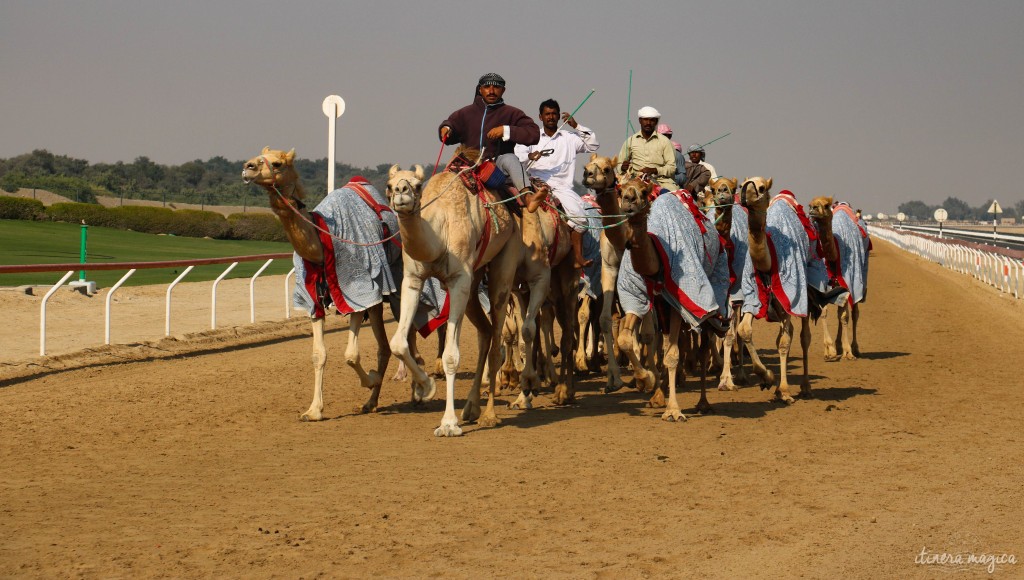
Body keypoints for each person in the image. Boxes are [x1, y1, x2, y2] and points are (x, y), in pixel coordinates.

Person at [438, 73, 546, 212]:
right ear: (480, 89)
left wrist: (506, 130)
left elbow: (533, 134)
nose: (491, 90)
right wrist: (446, 128)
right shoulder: (465, 113)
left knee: (510, 158)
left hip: (496, 166)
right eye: (487, 86)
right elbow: (450, 124)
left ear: (503, 90)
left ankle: (528, 197)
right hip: (468, 165)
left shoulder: (512, 113)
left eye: (496, 87)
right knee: (431, 184)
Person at [515, 98, 600, 267]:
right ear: (540, 117)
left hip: (561, 188)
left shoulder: (569, 137)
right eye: (547, 114)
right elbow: (518, 154)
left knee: (581, 220)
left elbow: (593, 145)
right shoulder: (531, 136)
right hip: (535, 183)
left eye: (554, 113)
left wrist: (576, 126)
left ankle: (576, 257)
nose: (551, 117)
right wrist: (530, 156)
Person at [616, 106, 677, 191]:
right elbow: (619, 164)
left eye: (652, 120)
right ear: (640, 121)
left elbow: (672, 168)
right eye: (645, 119)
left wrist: (655, 170)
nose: (648, 123)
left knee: (671, 198)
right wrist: (622, 167)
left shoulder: (665, 141)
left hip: (662, 182)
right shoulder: (630, 141)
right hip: (635, 181)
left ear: (656, 122)